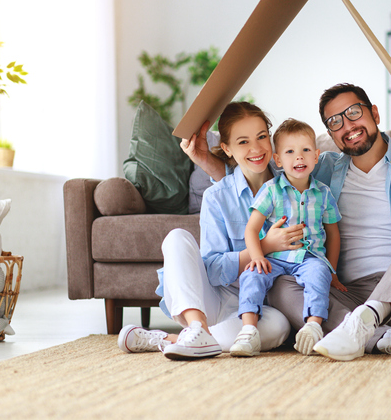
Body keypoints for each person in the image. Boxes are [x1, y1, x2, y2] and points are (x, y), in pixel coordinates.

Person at [182, 83, 391, 362]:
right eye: (335, 122)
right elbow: (273, 180)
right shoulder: (324, 168)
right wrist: (210, 163)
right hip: (345, 296)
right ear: (328, 137)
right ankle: (384, 339)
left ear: (375, 114)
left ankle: (367, 321)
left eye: (354, 113)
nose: (348, 126)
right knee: (280, 280)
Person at [118, 102, 298, 360]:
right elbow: (212, 269)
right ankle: (197, 327)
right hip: (215, 297)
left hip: (257, 303)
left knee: (279, 328)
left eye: (261, 137)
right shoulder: (217, 196)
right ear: (227, 148)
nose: (256, 149)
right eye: (243, 142)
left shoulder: (292, 186)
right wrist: (265, 246)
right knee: (176, 238)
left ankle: (174, 339)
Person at [230, 119, 343, 357]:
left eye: (305, 151)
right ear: (278, 160)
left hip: (310, 256)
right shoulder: (271, 190)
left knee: (319, 274)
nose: (298, 158)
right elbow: (251, 229)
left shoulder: (323, 193)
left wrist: (332, 270)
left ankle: (313, 325)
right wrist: (258, 256)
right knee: (252, 274)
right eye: (290, 152)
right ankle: (248, 331)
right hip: (275, 257)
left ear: (316, 156)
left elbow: (333, 233)